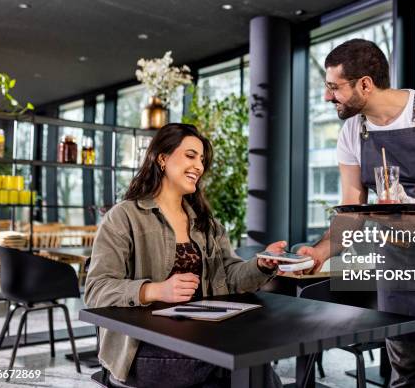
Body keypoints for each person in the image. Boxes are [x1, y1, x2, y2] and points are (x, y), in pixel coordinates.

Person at [298, 39, 415, 387]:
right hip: (399, 273)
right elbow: (352, 209)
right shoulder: (353, 131)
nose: (328, 97)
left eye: (334, 87)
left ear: (365, 84)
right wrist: (321, 251)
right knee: (405, 377)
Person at [85, 123, 284, 388]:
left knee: (252, 364)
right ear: (163, 158)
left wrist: (261, 265)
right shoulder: (124, 217)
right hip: (143, 349)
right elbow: (96, 289)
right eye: (190, 156)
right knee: (247, 365)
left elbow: (231, 276)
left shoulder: (206, 224)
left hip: (203, 339)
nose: (199, 166)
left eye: (201, 159)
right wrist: (154, 291)